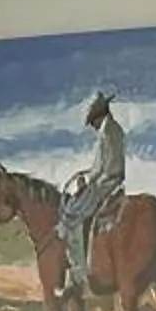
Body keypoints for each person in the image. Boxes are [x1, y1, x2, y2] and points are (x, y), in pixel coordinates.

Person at [58, 90, 125, 285]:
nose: (92, 126)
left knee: (74, 213)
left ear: (98, 116)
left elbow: (110, 166)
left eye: (92, 122)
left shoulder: (110, 131)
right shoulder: (109, 130)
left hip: (109, 181)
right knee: (77, 204)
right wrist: (86, 176)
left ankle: (79, 271)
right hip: (104, 178)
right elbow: (100, 165)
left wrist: (90, 182)